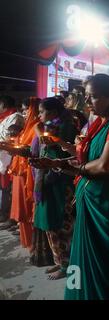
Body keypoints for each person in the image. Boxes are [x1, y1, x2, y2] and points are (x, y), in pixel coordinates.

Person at [36, 74, 109, 298]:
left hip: (106, 205)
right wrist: (57, 159)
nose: (88, 102)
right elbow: (86, 156)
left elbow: (104, 165)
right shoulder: (101, 123)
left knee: (104, 262)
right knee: (80, 256)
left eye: (93, 97)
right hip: (89, 200)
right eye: (87, 96)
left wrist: (73, 170)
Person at [29, 97, 78, 280]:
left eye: (42, 112)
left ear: (54, 112)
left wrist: (53, 148)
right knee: (50, 226)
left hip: (60, 183)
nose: (39, 115)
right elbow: (42, 151)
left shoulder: (65, 127)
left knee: (62, 226)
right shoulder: (47, 127)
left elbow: (66, 154)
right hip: (46, 182)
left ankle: (68, 266)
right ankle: (60, 262)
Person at [8, 97, 40, 250]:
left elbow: (32, 150)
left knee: (28, 208)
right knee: (22, 208)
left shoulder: (37, 127)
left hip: (28, 173)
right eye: (23, 110)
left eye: (27, 110)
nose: (25, 113)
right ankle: (27, 241)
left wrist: (17, 149)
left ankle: (34, 244)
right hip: (19, 172)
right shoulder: (26, 127)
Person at [0, 96, 24, 228]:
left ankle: (10, 215)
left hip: (9, 157)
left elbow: (11, 137)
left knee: (8, 188)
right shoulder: (5, 117)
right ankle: (5, 213)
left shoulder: (16, 117)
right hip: (3, 157)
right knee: (4, 188)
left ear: (3, 104)